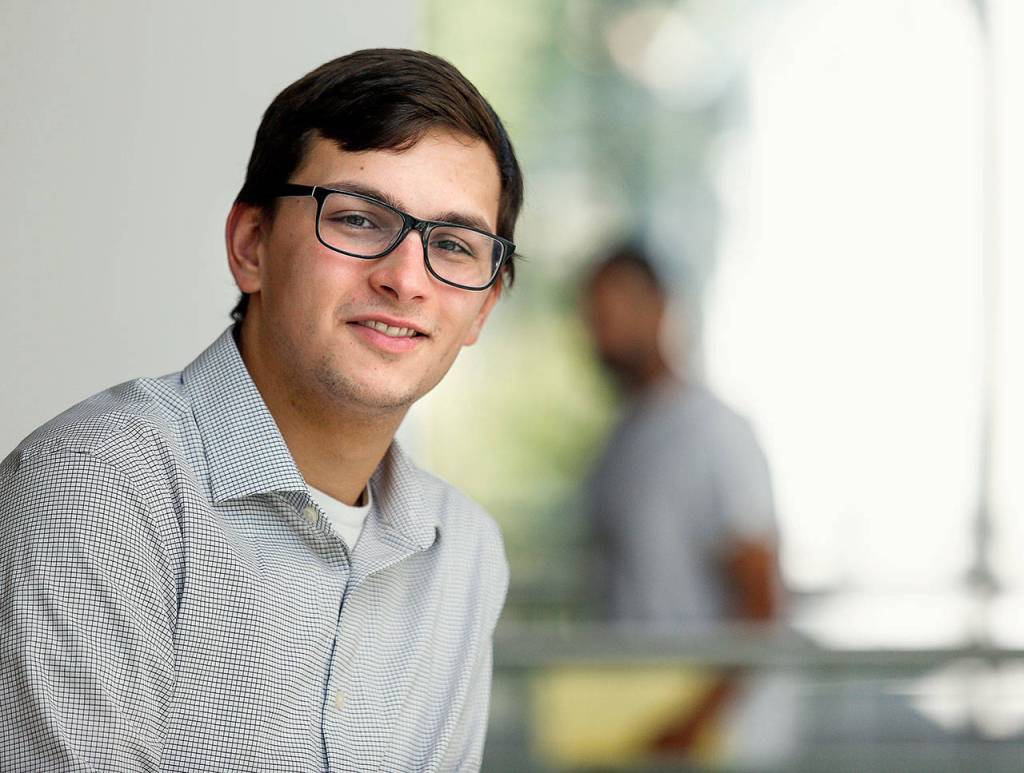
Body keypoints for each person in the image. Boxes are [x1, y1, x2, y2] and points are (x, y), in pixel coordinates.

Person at [0, 49, 523, 772]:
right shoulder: (96, 489)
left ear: (481, 310)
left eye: (455, 245)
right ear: (252, 246)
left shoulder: (462, 553)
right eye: (360, 219)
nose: (407, 279)